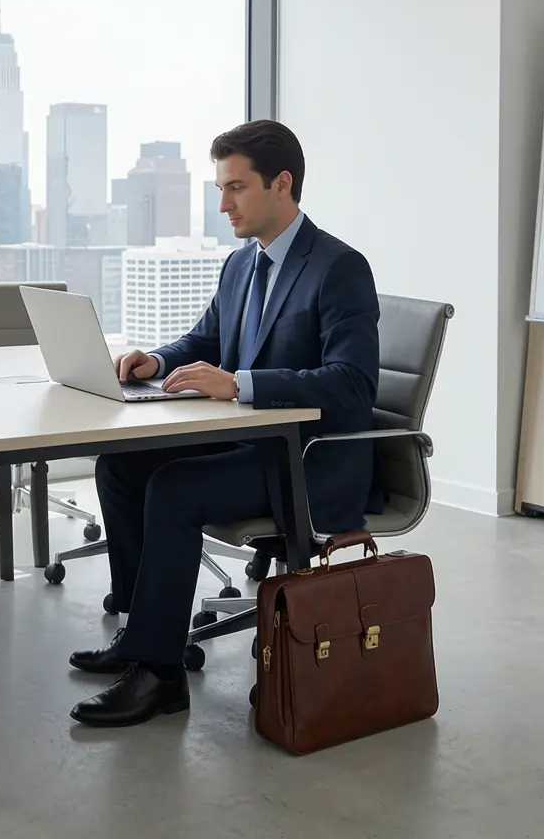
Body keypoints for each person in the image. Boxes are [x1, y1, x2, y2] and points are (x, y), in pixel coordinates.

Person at [69, 119, 381, 728]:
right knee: (122, 466)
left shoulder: (339, 268)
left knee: (175, 487)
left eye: (236, 188)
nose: (223, 205)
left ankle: (160, 676)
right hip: (253, 444)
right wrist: (156, 361)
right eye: (221, 188)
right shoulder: (241, 265)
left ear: (281, 184)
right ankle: (143, 633)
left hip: (309, 463)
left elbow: (351, 385)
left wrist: (240, 383)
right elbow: (205, 340)